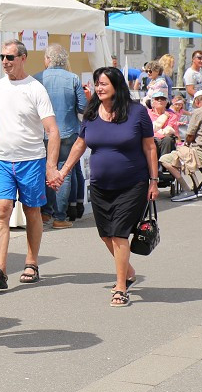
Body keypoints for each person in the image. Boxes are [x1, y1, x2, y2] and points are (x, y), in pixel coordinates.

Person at [54, 67, 158, 308]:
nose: (98, 88)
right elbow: (80, 144)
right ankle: (129, 272)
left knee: (119, 233)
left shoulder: (137, 112)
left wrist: (154, 181)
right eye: (97, 84)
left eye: (103, 84)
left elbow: (150, 147)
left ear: (116, 85)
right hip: (101, 186)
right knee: (105, 234)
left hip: (132, 184)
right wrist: (64, 171)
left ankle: (121, 286)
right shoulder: (92, 112)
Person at [0, 40, 60, 289]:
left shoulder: (36, 89)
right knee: (1, 209)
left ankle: (32, 262)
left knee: (31, 210)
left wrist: (51, 166)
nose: (5, 61)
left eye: (10, 57)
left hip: (31, 160)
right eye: (3, 57)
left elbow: (52, 131)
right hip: (1, 160)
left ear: (23, 58)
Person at [34, 44, 86, 230]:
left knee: (45, 171)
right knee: (64, 172)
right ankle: (60, 216)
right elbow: (82, 107)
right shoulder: (73, 79)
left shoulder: (36, 78)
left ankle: (45, 212)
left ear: (47, 59)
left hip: (43, 133)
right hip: (68, 131)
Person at [162, 90, 202, 201]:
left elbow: (190, 135)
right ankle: (197, 187)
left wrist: (185, 144)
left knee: (166, 159)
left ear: (197, 101)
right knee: (186, 152)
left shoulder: (199, 112)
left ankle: (187, 190)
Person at [146, 89, 180, 158]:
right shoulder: (146, 113)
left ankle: (163, 166)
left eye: (162, 99)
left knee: (168, 140)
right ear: (152, 102)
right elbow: (147, 128)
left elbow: (168, 130)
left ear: (166, 102)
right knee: (151, 140)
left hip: (165, 139)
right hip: (151, 138)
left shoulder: (172, 115)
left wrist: (156, 130)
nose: (159, 100)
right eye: (157, 99)